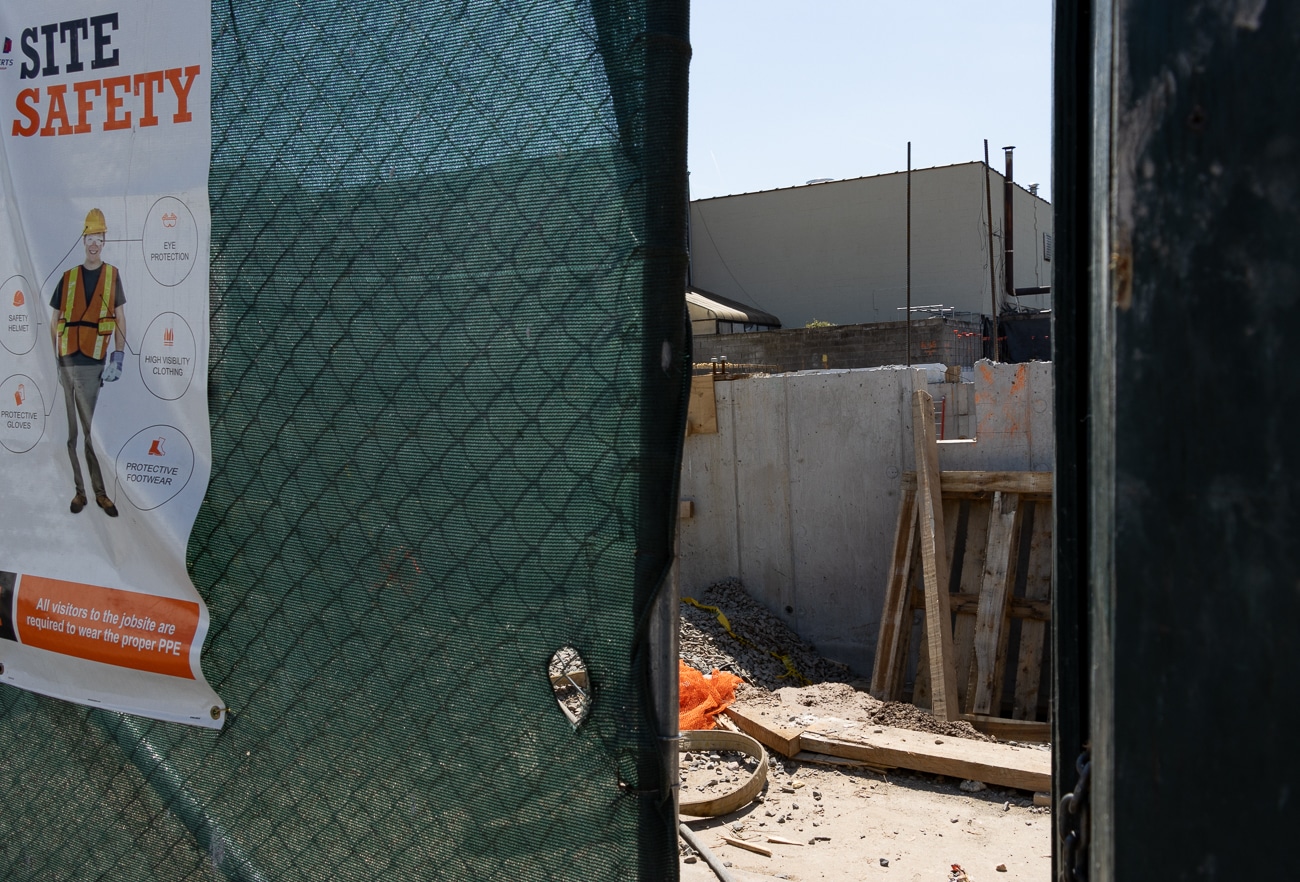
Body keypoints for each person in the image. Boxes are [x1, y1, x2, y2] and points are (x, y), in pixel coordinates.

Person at [50, 208, 127, 517]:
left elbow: (120, 318)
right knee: (71, 433)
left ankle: (100, 493)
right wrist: (53, 359)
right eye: (89, 237)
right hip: (68, 361)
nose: (94, 244)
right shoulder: (68, 278)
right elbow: (54, 318)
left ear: (104, 241)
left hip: (94, 362)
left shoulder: (112, 276)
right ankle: (80, 492)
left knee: (89, 432)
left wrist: (118, 357)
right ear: (83, 240)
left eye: (99, 237)